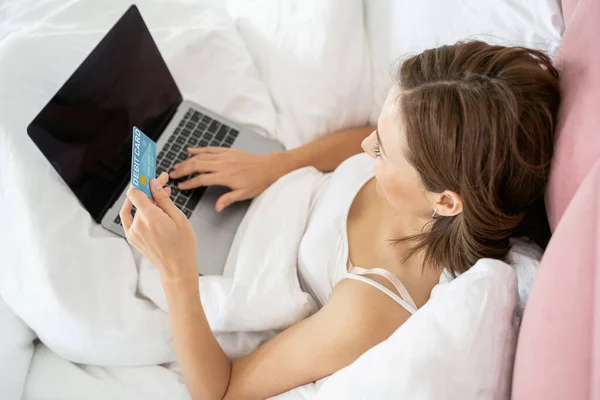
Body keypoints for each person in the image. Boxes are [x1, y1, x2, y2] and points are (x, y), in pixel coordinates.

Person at [119, 41, 560, 399]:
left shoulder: (372, 306)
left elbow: (223, 390)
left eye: (382, 149)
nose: (366, 143)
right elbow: (359, 137)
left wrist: (177, 274)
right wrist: (277, 164)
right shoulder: (425, 172)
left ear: (445, 202)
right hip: (264, 191)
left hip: (226, 260)